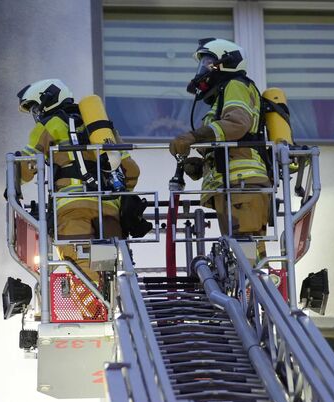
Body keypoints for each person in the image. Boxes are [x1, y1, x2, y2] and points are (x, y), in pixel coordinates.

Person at [15, 79, 140, 282]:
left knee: (82, 267)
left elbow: (26, 167)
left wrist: (13, 180)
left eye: (37, 108)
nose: (36, 115)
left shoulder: (49, 125)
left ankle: (95, 312)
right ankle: (112, 306)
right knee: (110, 269)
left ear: (48, 100)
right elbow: (131, 170)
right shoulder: (102, 130)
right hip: (108, 211)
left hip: (72, 209)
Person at [168, 38, 270, 261]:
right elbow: (224, 140)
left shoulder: (235, 85)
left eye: (207, 62)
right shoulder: (222, 95)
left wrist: (193, 136)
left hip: (243, 184)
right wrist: (202, 164)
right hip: (234, 186)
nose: (202, 69)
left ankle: (257, 292)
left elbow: (237, 124)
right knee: (241, 257)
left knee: (248, 258)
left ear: (225, 62)